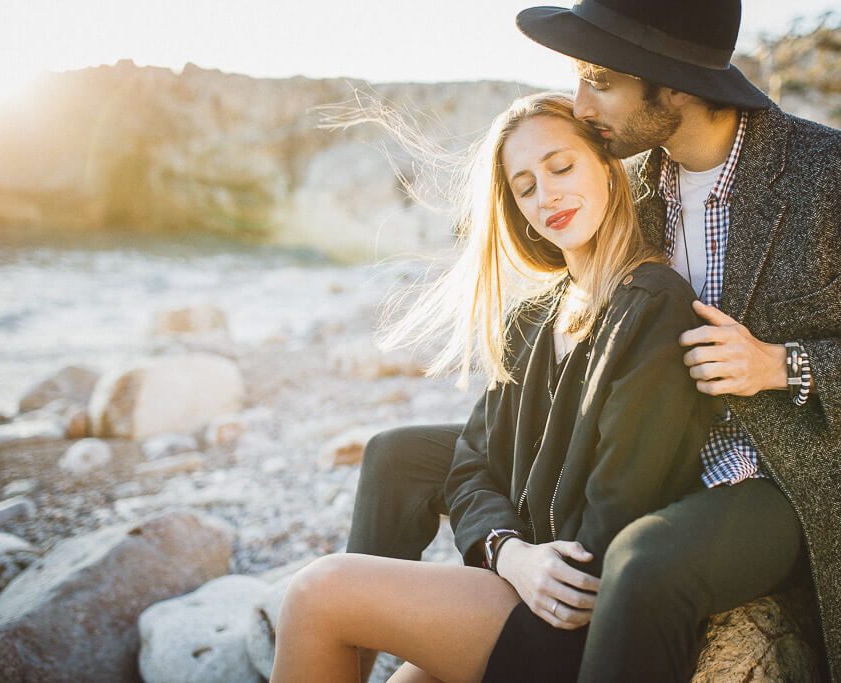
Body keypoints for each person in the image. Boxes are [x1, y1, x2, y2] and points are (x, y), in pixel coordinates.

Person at [346, 1, 841, 681]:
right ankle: (355, 649)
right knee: (398, 458)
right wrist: (507, 542)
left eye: (598, 80)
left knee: (646, 562)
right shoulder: (628, 177)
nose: (580, 103)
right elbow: (566, 289)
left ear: (675, 84)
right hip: (644, 442)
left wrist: (786, 365)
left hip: (787, 473)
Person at [271, 92, 716, 682]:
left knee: (318, 592)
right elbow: (470, 463)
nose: (547, 194)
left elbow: (617, 512)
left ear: (609, 168)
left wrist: (533, 570)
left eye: (562, 167)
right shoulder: (531, 319)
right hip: (522, 579)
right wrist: (510, 553)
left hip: (581, 615)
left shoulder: (654, 305)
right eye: (525, 185)